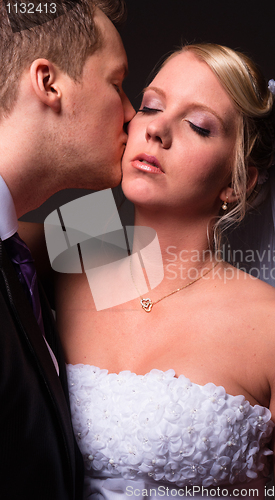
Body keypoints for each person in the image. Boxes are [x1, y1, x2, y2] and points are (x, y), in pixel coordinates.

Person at [39, 44, 275, 498]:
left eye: (198, 125)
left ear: (238, 182)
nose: (156, 128)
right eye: (151, 105)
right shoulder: (77, 243)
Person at [0, 0, 135, 498]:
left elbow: (144, 264)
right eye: (117, 84)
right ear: (48, 83)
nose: (133, 114)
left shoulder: (29, 240)